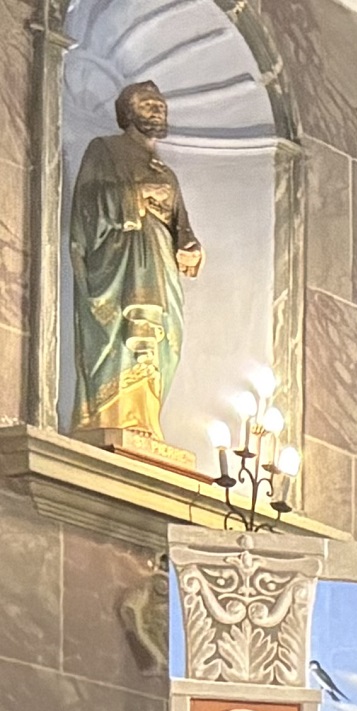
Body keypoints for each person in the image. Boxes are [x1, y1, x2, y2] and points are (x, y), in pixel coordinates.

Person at [66, 80, 201, 456]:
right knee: (123, 332)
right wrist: (136, 195)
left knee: (161, 338)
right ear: (127, 112)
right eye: (146, 103)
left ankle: (146, 421)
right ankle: (110, 416)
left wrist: (190, 248)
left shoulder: (167, 172)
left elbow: (181, 228)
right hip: (120, 262)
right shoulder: (104, 150)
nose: (157, 109)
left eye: (160, 104)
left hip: (159, 266)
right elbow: (88, 206)